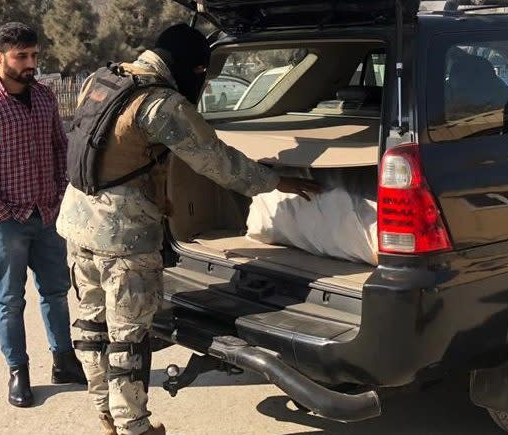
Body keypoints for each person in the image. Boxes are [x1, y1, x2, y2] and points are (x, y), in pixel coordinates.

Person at [59, 23, 321, 435]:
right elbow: (214, 159)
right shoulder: (159, 103)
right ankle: (134, 427)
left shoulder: (103, 78)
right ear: (191, 68)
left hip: (77, 226)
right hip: (124, 237)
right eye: (202, 73)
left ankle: (105, 414)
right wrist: (276, 182)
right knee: (128, 337)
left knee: (92, 325)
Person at [0, 22, 86, 408]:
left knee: (56, 292)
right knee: (10, 300)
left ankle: (64, 360)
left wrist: (60, 198)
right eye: (21, 57)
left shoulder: (44, 98)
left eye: (34, 56)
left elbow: (61, 149)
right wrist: (1, 214)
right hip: (5, 223)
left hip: (47, 216)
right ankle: (18, 371)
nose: (30, 64)